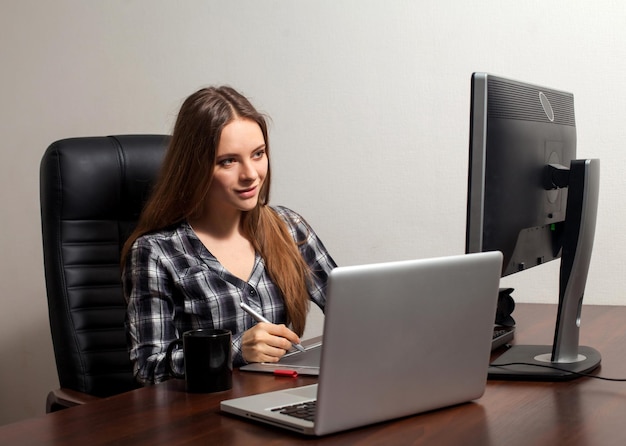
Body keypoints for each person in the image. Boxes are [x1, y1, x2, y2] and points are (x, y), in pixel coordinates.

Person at [121, 86, 336, 385]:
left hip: (281, 399)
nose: (250, 174)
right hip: (205, 419)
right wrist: (234, 349)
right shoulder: (157, 252)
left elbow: (355, 310)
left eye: (258, 154)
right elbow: (149, 369)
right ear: (195, 168)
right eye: (228, 161)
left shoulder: (288, 226)